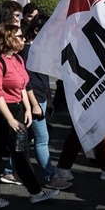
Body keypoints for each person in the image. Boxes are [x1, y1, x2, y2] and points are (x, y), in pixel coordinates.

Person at [0, 24, 59, 208]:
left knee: (21, 151)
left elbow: (23, 85)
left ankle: (35, 191)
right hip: (0, 113)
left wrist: (29, 109)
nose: (23, 39)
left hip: (16, 111)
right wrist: (10, 119)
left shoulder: (17, 59)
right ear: (7, 39)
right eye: (19, 36)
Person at [20, 15, 71, 190]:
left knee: (24, 138)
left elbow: (43, 76)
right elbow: (25, 81)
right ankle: (50, 176)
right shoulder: (28, 50)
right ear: (36, 30)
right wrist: (34, 104)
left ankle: (9, 170)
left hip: (40, 99)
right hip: (33, 100)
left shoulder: (41, 49)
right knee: (42, 139)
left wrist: (48, 99)